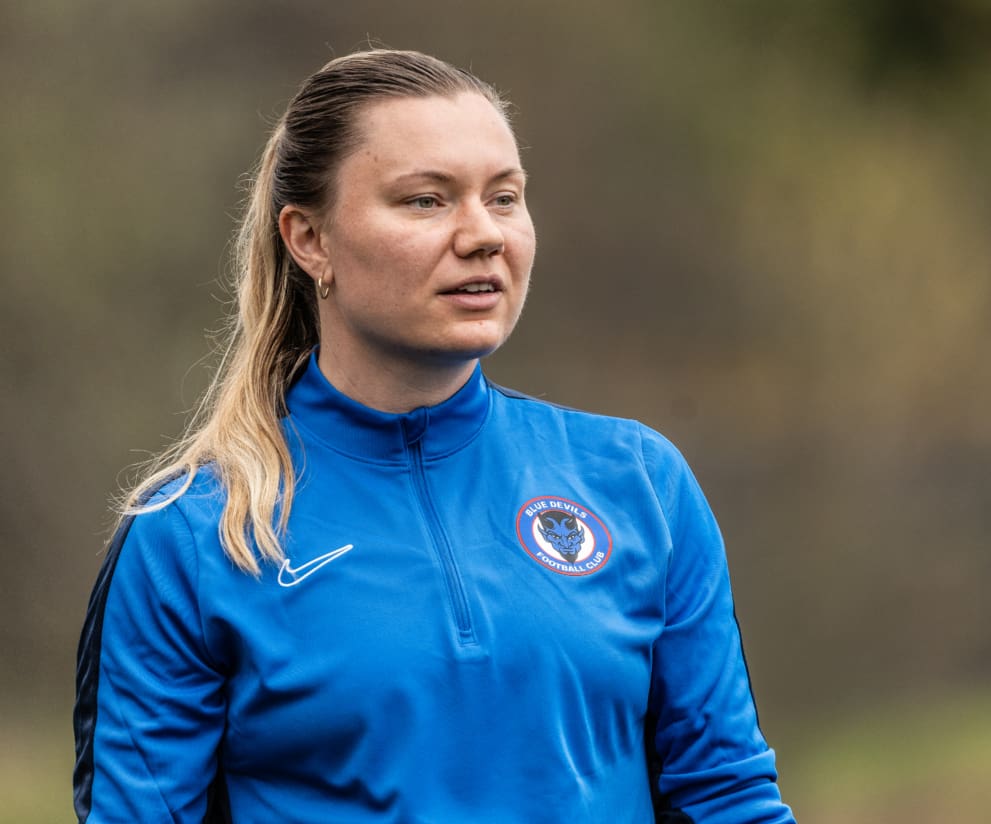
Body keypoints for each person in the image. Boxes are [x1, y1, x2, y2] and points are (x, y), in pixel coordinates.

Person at [73, 49, 795, 823]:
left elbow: (728, 797)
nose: (483, 235)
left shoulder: (637, 481)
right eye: (425, 201)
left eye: (505, 197)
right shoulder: (196, 533)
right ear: (309, 239)